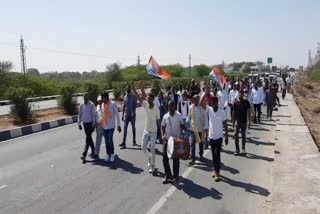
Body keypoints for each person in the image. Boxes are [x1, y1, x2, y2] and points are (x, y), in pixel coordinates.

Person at [132, 84, 161, 174]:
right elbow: (138, 97)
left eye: (149, 99)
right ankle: (150, 158)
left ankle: (152, 166)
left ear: (153, 99)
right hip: (146, 130)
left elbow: (158, 121)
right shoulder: (145, 104)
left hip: (154, 132)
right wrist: (133, 88)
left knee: (152, 149)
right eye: (147, 99)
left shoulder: (157, 109)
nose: (148, 100)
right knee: (143, 147)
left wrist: (162, 133)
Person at [161, 101, 185, 184]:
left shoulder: (179, 115)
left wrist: (187, 130)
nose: (171, 108)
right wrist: (162, 135)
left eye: (172, 106)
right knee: (164, 158)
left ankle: (175, 176)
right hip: (167, 140)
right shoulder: (165, 116)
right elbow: (162, 126)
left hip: (176, 141)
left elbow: (182, 125)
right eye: (169, 106)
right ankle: (168, 175)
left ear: (175, 106)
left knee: (175, 159)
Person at [207, 96, 229, 182]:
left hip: (219, 137)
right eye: (212, 103)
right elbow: (201, 102)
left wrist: (227, 136)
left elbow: (225, 125)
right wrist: (206, 92)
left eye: (215, 102)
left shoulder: (222, 112)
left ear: (217, 103)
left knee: (217, 154)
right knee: (213, 155)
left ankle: (217, 172)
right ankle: (215, 170)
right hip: (211, 137)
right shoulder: (209, 110)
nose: (213, 104)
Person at [186, 94, 208, 165]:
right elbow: (189, 117)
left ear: (198, 100)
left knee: (201, 143)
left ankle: (201, 155)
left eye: (197, 99)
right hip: (193, 129)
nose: (195, 101)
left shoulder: (202, 107)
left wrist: (206, 127)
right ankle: (193, 159)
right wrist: (186, 121)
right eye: (194, 99)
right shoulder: (190, 107)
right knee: (192, 143)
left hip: (201, 129)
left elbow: (206, 118)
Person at [101, 91, 122, 162]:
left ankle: (112, 154)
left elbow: (117, 115)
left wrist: (119, 125)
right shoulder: (102, 105)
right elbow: (101, 115)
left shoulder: (113, 104)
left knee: (110, 140)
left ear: (107, 97)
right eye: (101, 98)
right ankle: (108, 154)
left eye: (103, 98)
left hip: (111, 126)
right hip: (104, 126)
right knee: (106, 141)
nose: (102, 99)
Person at [78, 92, 96, 164]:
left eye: (86, 97)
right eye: (84, 97)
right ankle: (93, 150)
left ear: (88, 98)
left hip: (90, 124)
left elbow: (94, 115)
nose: (85, 98)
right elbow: (80, 114)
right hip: (85, 124)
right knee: (89, 137)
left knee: (88, 137)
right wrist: (79, 123)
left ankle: (84, 154)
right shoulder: (82, 105)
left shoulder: (91, 105)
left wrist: (93, 124)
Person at [232, 90, 251, 155]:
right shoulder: (235, 103)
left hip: (244, 122)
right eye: (239, 94)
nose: (241, 95)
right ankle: (237, 149)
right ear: (238, 95)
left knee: (243, 136)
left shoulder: (246, 102)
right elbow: (233, 113)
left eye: (242, 94)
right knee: (236, 135)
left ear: (243, 95)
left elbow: (249, 112)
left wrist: (249, 122)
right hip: (237, 122)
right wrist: (233, 122)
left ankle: (243, 148)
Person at [119, 85, 137, 149]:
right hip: (126, 115)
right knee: (125, 128)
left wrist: (133, 112)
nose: (127, 90)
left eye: (128, 88)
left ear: (130, 89)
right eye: (127, 89)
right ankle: (124, 142)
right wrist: (122, 115)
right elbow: (124, 106)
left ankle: (134, 141)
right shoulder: (125, 96)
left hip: (132, 115)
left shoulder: (133, 96)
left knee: (133, 128)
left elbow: (135, 105)